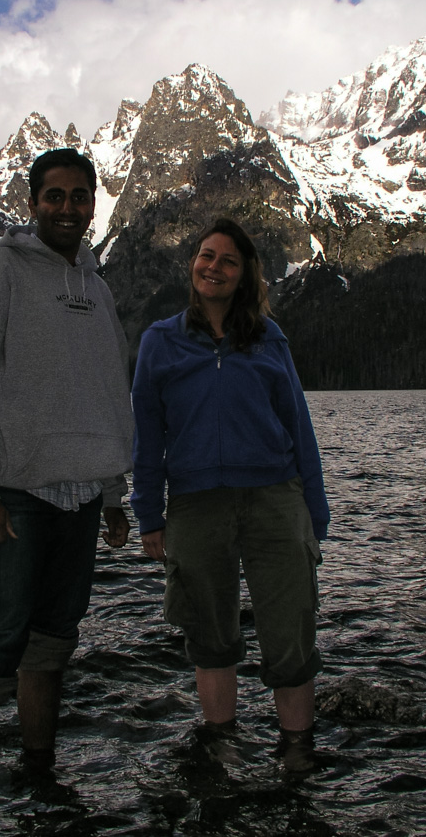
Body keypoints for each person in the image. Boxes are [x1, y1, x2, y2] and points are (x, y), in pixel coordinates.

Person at [0, 148, 133, 792]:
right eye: (56, 196)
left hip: (79, 500)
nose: (68, 208)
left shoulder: (98, 289)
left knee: (51, 645)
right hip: (10, 498)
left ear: (93, 204)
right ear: (33, 203)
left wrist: (111, 493)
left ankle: (40, 778)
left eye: (80, 196)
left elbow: (106, 393)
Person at [131, 217, 329, 773]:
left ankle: (296, 753)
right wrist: (148, 513)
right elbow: (147, 438)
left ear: (244, 277)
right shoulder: (159, 341)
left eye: (227, 261)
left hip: (275, 498)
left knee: (290, 632)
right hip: (196, 504)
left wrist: (315, 513)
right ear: (192, 263)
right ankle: (222, 744)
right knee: (209, 635)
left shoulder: (270, 339)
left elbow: (299, 426)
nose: (213, 267)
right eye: (205, 255)